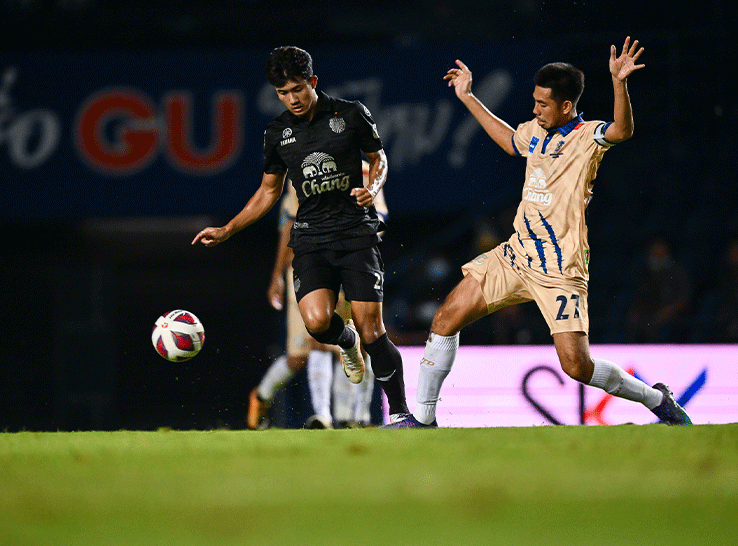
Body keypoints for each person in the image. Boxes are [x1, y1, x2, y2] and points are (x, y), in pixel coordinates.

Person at [390, 37, 691, 427]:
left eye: (543, 104)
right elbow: (510, 141)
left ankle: (656, 399)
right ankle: (424, 419)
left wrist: (619, 84)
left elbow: (622, 130)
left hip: (560, 267)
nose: (535, 109)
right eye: (534, 101)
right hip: (516, 254)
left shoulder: (587, 138)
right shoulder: (535, 129)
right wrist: (468, 97)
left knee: (577, 366)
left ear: (566, 106)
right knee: (445, 318)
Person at [193, 46, 411, 425]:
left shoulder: (350, 114)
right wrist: (228, 229)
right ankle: (344, 344)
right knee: (317, 324)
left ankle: (402, 413)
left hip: (355, 234)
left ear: (312, 82)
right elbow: (268, 192)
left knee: (373, 331)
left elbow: (379, 159)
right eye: (283, 93)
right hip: (311, 239)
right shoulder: (278, 133)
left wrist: (373, 187)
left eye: (297, 89)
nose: (291, 99)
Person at [248, 165, 386, 429]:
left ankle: (352, 417)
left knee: (356, 341)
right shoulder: (302, 170)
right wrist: (277, 274)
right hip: (307, 268)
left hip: (352, 264)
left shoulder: (366, 171)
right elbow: (289, 225)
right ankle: (270, 398)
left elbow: (379, 218)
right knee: (302, 353)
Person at [626, 235, 691, 343]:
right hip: (648, 320)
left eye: (660, 253)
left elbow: (683, 301)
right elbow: (638, 299)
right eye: (654, 253)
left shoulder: (678, 273)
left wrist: (665, 313)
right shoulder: (644, 274)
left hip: (672, 322)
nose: (657, 256)